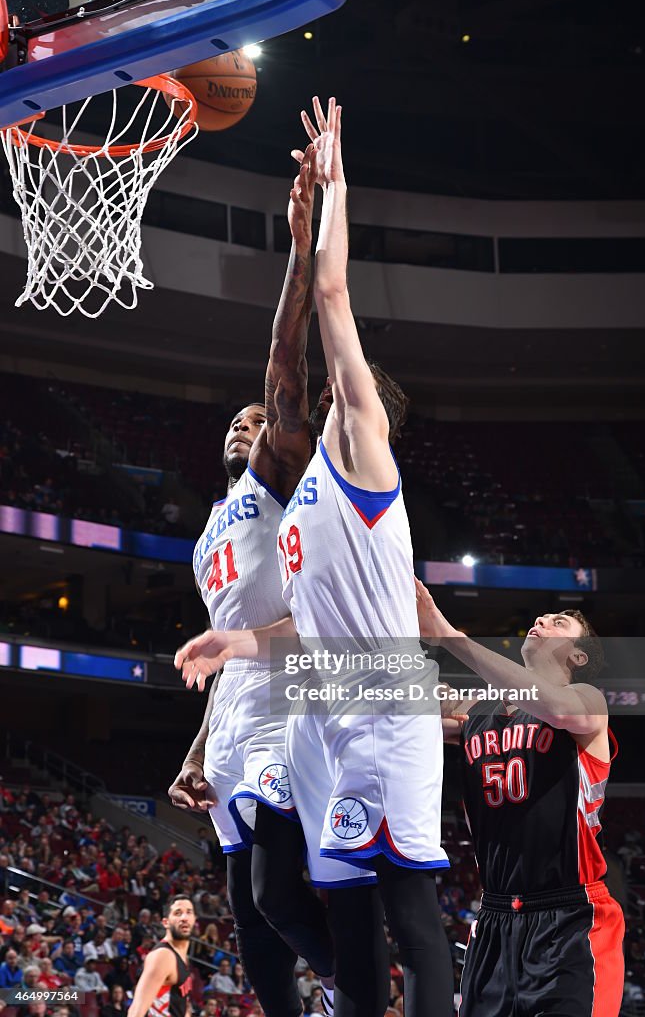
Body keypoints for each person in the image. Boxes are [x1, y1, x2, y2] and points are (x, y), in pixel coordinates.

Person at [175, 97, 455, 1017]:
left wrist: (315, 223)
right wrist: (217, 690)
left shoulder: (338, 458)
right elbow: (278, 626)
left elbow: (301, 345)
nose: (261, 421)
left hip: (359, 694)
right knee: (284, 902)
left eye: (270, 419)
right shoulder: (258, 516)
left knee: (367, 903)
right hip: (304, 692)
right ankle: (347, 999)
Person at [168, 137, 345, 1017]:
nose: (250, 423)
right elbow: (224, 647)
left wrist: (300, 244)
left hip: (292, 690)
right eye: (237, 422)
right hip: (239, 703)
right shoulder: (206, 535)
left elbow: (286, 358)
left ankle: (368, 991)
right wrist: (199, 747)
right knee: (246, 917)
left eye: (259, 418)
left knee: (278, 894)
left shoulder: (276, 473)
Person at [414, 585, 626, 1017]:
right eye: (543, 616)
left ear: (578, 656)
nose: (544, 619)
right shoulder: (476, 712)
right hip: (494, 916)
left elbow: (558, 709)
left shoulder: (587, 703)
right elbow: (393, 701)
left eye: (560, 622)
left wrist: (448, 635)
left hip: (570, 914)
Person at [126, 895, 194, 1017]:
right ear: (165, 922)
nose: (184, 918)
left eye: (189, 912)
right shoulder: (163, 956)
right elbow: (136, 1010)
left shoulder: (183, 957)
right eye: (178, 913)